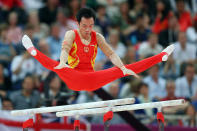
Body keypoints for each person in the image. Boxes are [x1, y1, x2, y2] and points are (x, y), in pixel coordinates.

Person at [22, 8, 174, 91]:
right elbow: (66, 49)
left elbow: (111, 53)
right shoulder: (71, 34)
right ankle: (32, 50)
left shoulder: (97, 36)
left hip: (93, 79)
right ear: (77, 23)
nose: (88, 29)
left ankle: (161, 56)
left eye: (91, 25)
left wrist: (121, 67)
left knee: (125, 68)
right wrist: (62, 62)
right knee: (57, 66)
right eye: (84, 26)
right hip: (73, 78)